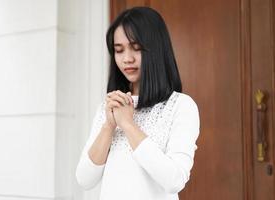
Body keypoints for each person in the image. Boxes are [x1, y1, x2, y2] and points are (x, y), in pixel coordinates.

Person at [76, 7, 200, 200]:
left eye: (136, 48)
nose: (127, 59)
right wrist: (109, 126)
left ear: (156, 49)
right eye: (119, 50)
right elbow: (85, 179)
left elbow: (174, 180)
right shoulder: (108, 108)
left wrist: (127, 124)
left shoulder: (181, 106)